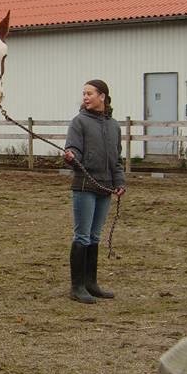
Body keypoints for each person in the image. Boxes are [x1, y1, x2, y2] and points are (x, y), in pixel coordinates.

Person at [63, 79, 126, 304]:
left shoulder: (114, 126)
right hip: (84, 186)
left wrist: (119, 182)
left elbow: (117, 159)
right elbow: (73, 149)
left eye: (89, 93)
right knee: (82, 235)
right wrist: (71, 156)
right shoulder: (78, 122)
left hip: (105, 188)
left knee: (95, 236)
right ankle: (77, 286)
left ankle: (91, 283)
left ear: (103, 96)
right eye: (84, 94)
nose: (85, 97)